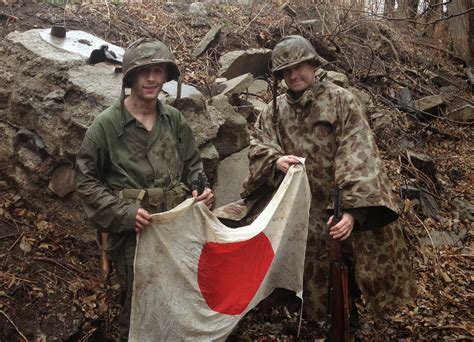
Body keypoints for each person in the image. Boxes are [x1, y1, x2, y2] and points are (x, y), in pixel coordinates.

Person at [242, 35, 415, 334]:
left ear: (312, 63)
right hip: (298, 214)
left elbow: (358, 153)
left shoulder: (341, 101)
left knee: (347, 274)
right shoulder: (273, 111)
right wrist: (275, 161)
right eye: (286, 71)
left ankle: (350, 324)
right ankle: (312, 325)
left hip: (338, 206)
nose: (294, 75)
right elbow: (258, 145)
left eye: (299, 67)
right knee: (308, 280)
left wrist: (353, 212)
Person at [75, 38, 214, 341]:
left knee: (177, 302)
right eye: (144, 71)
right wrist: (123, 212)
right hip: (133, 239)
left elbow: (194, 167)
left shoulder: (174, 120)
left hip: (176, 230)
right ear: (131, 77)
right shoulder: (107, 126)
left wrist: (201, 191)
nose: (152, 78)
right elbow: (85, 181)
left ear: (166, 75)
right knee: (135, 310)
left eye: (158, 71)